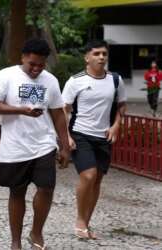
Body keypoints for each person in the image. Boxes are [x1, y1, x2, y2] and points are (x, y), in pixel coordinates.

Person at [0, 38, 70, 250]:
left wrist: (65, 145)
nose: (36, 69)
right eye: (32, 64)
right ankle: (16, 241)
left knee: (47, 187)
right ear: (23, 57)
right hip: (15, 146)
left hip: (44, 143)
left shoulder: (50, 80)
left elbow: (58, 113)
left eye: (40, 65)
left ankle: (37, 233)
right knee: (17, 192)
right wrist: (20, 110)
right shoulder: (6, 75)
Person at [62, 40, 126, 240]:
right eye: (97, 53)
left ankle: (86, 224)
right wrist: (67, 136)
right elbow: (63, 110)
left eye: (104, 54)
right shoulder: (76, 80)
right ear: (87, 57)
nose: (101, 57)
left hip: (103, 137)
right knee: (88, 175)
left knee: (97, 180)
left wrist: (116, 125)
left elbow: (121, 105)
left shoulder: (115, 80)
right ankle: (80, 221)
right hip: (81, 134)